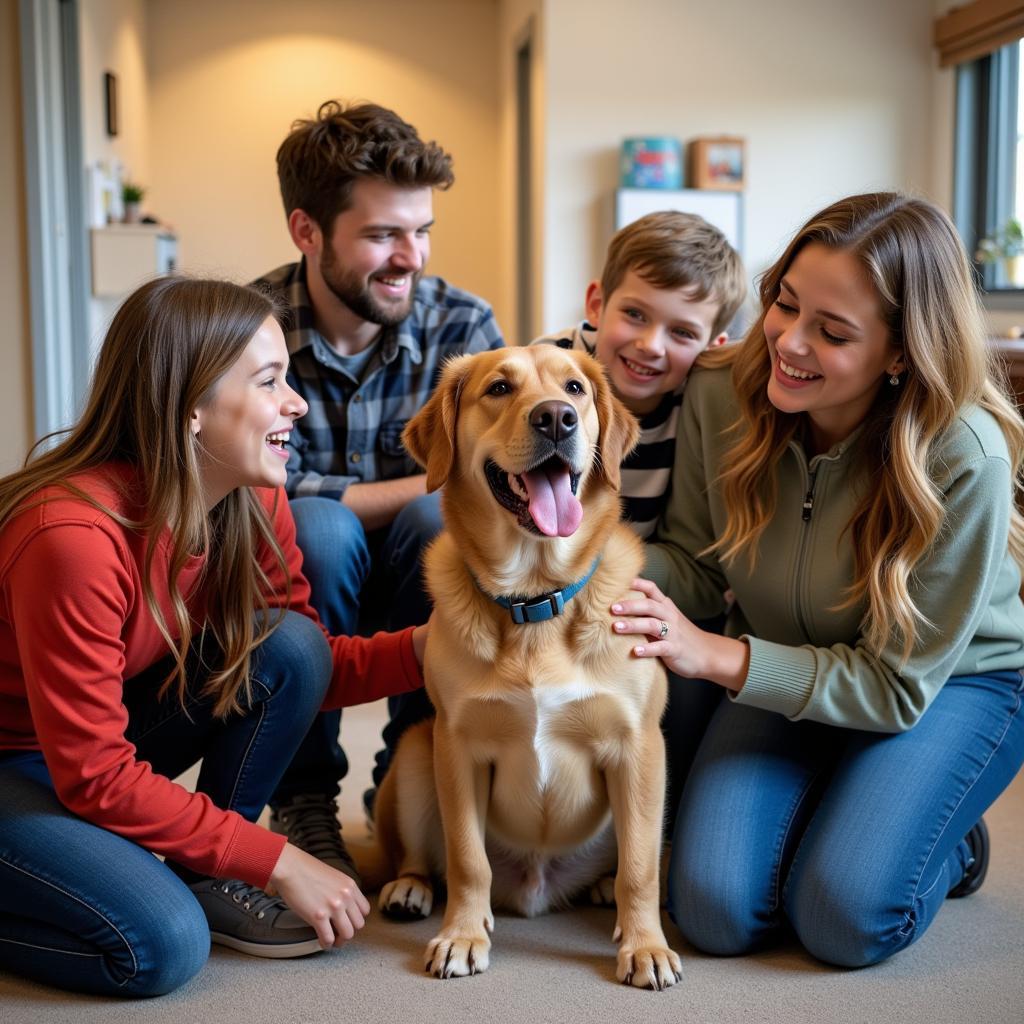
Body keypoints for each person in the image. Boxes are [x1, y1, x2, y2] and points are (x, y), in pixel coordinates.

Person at [610, 192, 1024, 967]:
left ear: (900, 353)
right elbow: (697, 564)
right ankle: (851, 799)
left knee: (842, 919)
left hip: (944, 689)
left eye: (832, 332)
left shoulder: (965, 456)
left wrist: (721, 658)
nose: (789, 344)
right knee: (711, 912)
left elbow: (896, 688)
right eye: (785, 305)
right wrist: (592, 571)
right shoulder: (719, 390)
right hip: (788, 657)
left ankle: (949, 844)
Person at [0, 276, 428, 997]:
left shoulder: (252, 494)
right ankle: (191, 881)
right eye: (269, 381)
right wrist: (276, 859)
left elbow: (310, 663)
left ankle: (207, 877)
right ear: (191, 408)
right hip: (18, 759)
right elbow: (95, 774)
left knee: (289, 645)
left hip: (92, 739)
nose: (296, 403)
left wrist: (431, 650)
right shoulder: (71, 537)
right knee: (158, 946)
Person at [251, 101, 503, 876]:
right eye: (383, 235)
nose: (412, 256)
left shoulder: (463, 327)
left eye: (422, 230)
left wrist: (429, 485)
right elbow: (263, 493)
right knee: (316, 528)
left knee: (436, 517)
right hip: (296, 582)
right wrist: (435, 472)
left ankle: (410, 770)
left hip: (419, 573)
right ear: (308, 232)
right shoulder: (253, 328)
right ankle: (304, 799)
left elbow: (489, 478)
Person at [534, 210, 745, 810]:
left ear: (712, 347)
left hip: (638, 588)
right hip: (531, 580)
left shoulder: (699, 405)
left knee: (677, 667)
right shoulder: (546, 374)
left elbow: (700, 569)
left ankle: (662, 809)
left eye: (682, 333)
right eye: (635, 314)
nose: (650, 346)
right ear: (596, 302)